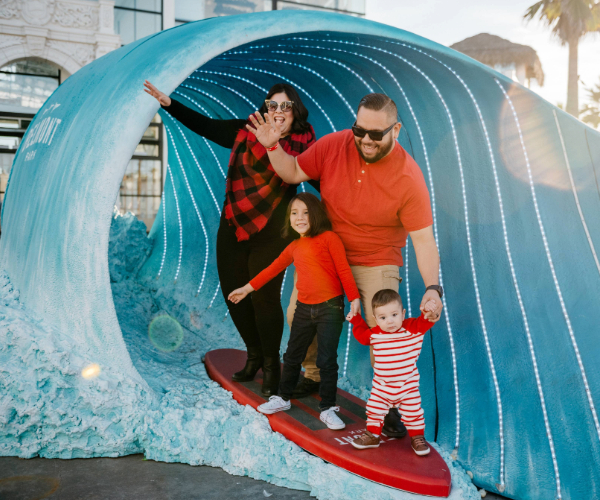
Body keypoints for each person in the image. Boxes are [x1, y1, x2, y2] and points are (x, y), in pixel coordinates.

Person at [246, 93, 443, 437]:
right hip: (328, 252)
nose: (366, 139)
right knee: (298, 314)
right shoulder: (334, 145)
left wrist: (432, 288)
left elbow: (424, 240)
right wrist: (273, 146)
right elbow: (292, 172)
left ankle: (393, 406)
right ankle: (311, 375)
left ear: (395, 130)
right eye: (359, 130)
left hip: (376, 258)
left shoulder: (409, 178)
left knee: (384, 326)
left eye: (376, 134)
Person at [143, 80, 317, 396]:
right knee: (234, 294)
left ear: (296, 112)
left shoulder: (305, 145)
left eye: (285, 106)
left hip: (274, 233)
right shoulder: (244, 131)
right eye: (272, 105)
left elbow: (324, 178)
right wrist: (170, 104)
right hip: (233, 227)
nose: (278, 112)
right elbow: (206, 126)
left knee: (264, 298)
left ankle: (271, 364)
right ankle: (253, 355)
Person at [228, 193, 361, 430]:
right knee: (292, 356)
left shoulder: (329, 238)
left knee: (327, 360)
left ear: (316, 215)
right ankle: (282, 398)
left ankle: (328, 409)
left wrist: (355, 299)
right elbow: (271, 270)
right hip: (303, 309)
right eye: (294, 213)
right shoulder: (294, 246)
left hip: (330, 308)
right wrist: (246, 289)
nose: (300, 218)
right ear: (289, 218)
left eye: (306, 212)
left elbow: (343, 270)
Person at [348, 289, 435, 455]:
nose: (390, 321)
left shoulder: (413, 329)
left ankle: (417, 437)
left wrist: (428, 309)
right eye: (383, 317)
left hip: (407, 387)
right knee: (374, 410)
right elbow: (361, 335)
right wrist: (357, 320)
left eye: (394, 315)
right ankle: (373, 435)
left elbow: (426, 321)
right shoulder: (375, 334)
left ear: (403, 314)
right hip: (382, 388)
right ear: (376, 320)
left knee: (413, 412)